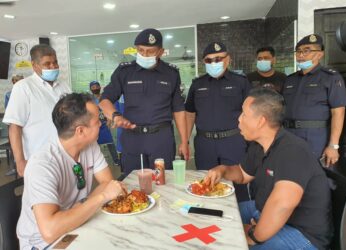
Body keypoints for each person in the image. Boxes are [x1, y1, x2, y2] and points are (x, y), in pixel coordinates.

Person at [205, 88, 332, 250]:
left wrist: (253, 236)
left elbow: (283, 204)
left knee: (231, 243)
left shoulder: (293, 150)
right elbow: (243, 175)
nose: (238, 119)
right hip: (264, 209)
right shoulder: (259, 145)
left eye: (243, 114)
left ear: (260, 121)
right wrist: (222, 170)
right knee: (218, 213)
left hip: (301, 233)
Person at [17, 93, 127, 249]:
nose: (102, 124)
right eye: (97, 121)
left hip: (78, 225)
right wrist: (102, 196)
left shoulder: (90, 146)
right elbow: (50, 231)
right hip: (45, 244)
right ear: (80, 131)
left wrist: (80, 209)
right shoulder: (42, 165)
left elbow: (108, 183)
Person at [99, 28, 189, 174]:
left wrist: (184, 142)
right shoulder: (125, 72)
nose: (145, 55)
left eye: (151, 51)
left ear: (161, 51)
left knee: (163, 182)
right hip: (133, 137)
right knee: (133, 183)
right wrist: (115, 115)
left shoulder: (171, 73)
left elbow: (178, 109)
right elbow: (105, 100)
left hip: (161, 138)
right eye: (141, 50)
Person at [185, 42, 251, 201]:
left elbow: (251, 112)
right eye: (209, 60)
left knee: (238, 185)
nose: (213, 63)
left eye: (218, 59)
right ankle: (209, 219)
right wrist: (185, 141)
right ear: (204, 63)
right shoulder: (197, 84)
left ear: (228, 59)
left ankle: (241, 220)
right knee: (205, 184)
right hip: (205, 143)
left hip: (233, 142)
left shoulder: (240, 82)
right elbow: (190, 113)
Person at [3, 44, 71, 176]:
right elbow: (15, 126)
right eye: (47, 64)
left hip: (67, 155)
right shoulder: (23, 87)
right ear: (34, 65)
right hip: (39, 160)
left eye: (55, 62)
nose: (53, 66)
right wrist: (20, 161)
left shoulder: (64, 86)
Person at [282, 34, 346, 166]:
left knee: (315, 178)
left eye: (307, 50)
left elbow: (338, 112)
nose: (301, 55)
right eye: (298, 51)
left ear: (320, 54)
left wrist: (333, 146)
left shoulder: (330, 77)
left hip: (315, 138)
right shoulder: (290, 79)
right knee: (290, 173)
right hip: (289, 135)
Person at [89, 80, 119, 165]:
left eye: (96, 86)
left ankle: (116, 160)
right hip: (95, 124)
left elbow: (110, 108)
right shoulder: (90, 100)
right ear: (90, 89)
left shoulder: (104, 97)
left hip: (105, 123)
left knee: (110, 142)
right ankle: (96, 163)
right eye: (93, 87)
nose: (95, 88)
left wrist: (109, 119)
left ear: (100, 87)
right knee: (95, 144)